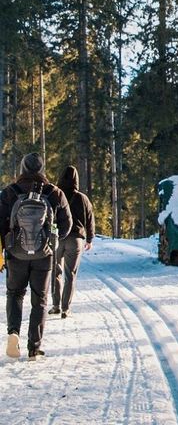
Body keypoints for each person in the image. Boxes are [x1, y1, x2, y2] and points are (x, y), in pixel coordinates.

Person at [0, 153, 72, 359]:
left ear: (22, 169)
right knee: (39, 299)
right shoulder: (55, 193)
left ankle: (13, 332)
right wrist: (51, 239)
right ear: (42, 169)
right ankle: (34, 347)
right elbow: (66, 225)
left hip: (15, 253)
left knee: (14, 294)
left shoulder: (9, 192)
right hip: (44, 254)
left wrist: (7, 244)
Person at [49, 165, 93, 319]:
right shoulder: (83, 198)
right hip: (76, 239)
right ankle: (65, 308)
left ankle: (55, 305)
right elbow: (90, 220)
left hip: (58, 238)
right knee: (70, 274)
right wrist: (90, 239)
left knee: (55, 272)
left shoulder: (55, 195)